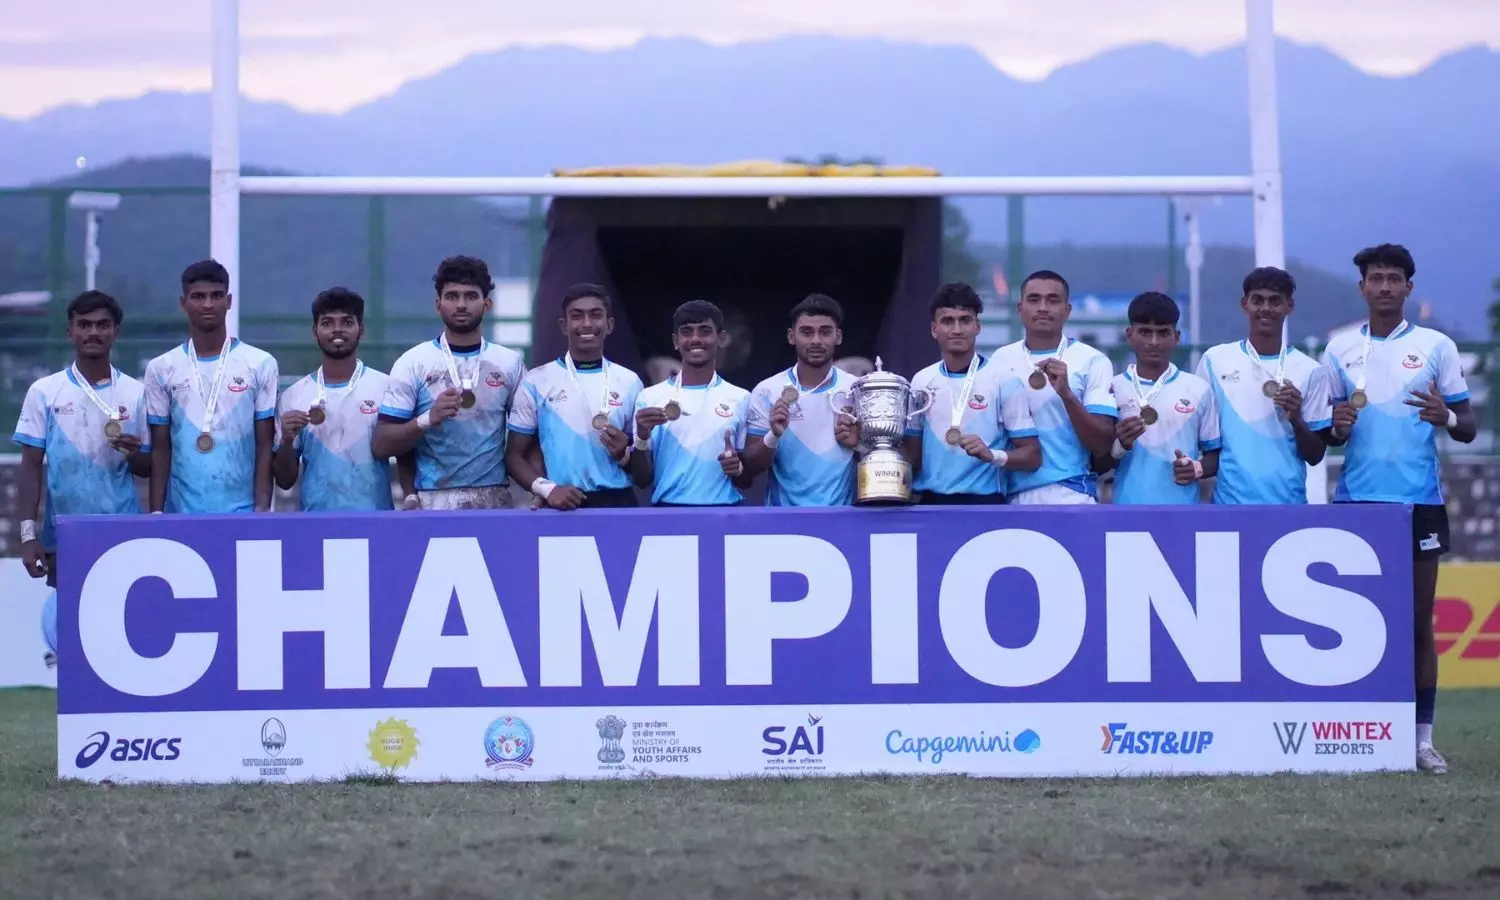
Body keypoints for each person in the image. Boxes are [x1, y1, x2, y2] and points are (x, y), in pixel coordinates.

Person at [1321, 243, 1477, 775]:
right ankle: (1352, 737)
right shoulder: (1339, 349)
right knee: (1351, 626)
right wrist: (1337, 425)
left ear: (1409, 287)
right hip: (1357, 504)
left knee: (1415, 625)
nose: (1384, 286)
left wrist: (1445, 417)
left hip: (1417, 504)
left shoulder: (1436, 346)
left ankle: (1421, 741)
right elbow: (1329, 434)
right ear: (1362, 287)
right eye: (1376, 278)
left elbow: (1468, 425)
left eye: (1394, 278)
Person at [13, 291, 150, 604]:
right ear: (70, 331)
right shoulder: (44, 392)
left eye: (103, 324)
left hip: (124, 534)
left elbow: (148, 468)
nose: (93, 332)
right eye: (84, 324)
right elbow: (30, 467)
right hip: (65, 535)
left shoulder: (136, 393)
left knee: (125, 619)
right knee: (74, 625)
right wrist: (28, 536)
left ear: (116, 331)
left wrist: (134, 454)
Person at [374, 256, 526, 510]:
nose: (461, 304)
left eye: (471, 296)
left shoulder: (510, 363)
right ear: (438, 304)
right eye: (452, 296)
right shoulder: (413, 363)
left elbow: (529, 439)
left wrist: (540, 488)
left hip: (494, 500)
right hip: (432, 500)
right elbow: (382, 444)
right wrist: (428, 418)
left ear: (487, 304)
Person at [145, 260, 278, 514]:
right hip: (181, 514)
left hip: (243, 513)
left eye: (216, 296)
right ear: (183, 303)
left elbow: (264, 444)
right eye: (198, 297)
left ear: (229, 301)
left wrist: (261, 510)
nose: (208, 304)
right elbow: (161, 448)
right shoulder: (161, 368)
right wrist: (157, 514)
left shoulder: (260, 364)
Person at [1196, 267, 1331, 504]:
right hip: (1229, 505)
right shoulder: (1214, 361)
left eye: (1275, 301)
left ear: (1290, 306)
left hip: (1288, 505)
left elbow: (1315, 456)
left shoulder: (1311, 370)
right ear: (1244, 304)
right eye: (1257, 300)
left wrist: (1296, 418)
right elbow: (1202, 439)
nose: (1266, 308)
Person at [273, 288, 415, 511]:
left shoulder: (387, 388)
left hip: (375, 521)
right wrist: (287, 441)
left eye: (347, 322)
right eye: (327, 323)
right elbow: (284, 481)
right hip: (315, 523)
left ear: (361, 330)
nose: (337, 330)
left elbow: (406, 455)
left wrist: (410, 496)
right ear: (315, 332)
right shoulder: (293, 396)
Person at [506, 284, 644, 509]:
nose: (587, 323)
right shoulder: (537, 381)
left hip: (618, 503)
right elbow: (514, 456)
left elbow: (643, 469)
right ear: (564, 325)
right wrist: (547, 489)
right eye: (577, 316)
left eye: (595, 315)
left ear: (609, 324)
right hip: (562, 503)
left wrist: (625, 453)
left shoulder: (630, 382)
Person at [906, 283, 1040, 504]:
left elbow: (1032, 455)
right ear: (934, 329)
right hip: (930, 503)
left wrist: (992, 455)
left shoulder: (1004, 380)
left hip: (985, 504)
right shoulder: (921, 381)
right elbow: (913, 455)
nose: (957, 329)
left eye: (965, 320)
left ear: (977, 327)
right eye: (948, 321)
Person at [993, 270, 1117, 505]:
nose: (1043, 308)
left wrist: (1067, 395)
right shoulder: (1000, 359)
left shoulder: (1093, 360)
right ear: (1020, 308)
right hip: (1014, 495)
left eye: (1053, 300)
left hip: (1072, 493)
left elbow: (1102, 445)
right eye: (1034, 300)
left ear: (1067, 310)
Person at [742, 294, 862, 506]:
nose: (816, 340)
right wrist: (773, 435)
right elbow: (748, 470)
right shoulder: (767, 391)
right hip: (783, 517)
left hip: (842, 516)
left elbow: (883, 459)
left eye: (825, 332)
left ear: (838, 336)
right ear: (791, 336)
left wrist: (860, 444)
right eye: (807, 332)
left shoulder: (857, 389)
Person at [629, 300, 753, 506]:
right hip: (669, 513)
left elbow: (746, 481)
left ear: (721, 338)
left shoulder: (741, 398)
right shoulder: (649, 398)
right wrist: (642, 437)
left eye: (705, 331)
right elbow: (642, 480)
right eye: (687, 332)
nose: (695, 339)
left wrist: (737, 468)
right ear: (676, 341)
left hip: (723, 512)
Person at [1108, 292, 1221, 504]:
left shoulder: (1199, 389)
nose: (1154, 342)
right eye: (1145, 332)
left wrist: (1196, 468)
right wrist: (1121, 444)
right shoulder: (1112, 388)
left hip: (1182, 512)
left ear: (1176, 337)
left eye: (1163, 333)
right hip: (1126, 509)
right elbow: (1098, 461)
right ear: (1129, 335)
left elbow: (1214, 456)